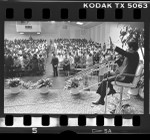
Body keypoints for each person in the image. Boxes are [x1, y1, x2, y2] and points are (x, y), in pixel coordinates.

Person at [92, 38, 140, 105]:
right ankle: (111, 89)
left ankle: (101, 100)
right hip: (123, 74)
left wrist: (114, 47)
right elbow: (123, 66)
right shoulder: (132, 55)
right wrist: (117, 60)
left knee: (105, 80)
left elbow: (124, 53)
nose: (127, 48)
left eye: (128, 47)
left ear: (131, 48)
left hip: (126, 77)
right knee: (106, 74)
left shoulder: (134, 55)